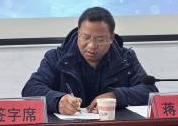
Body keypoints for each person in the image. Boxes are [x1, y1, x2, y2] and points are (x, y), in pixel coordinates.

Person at [22, 7, 156, 115]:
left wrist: (116, 96)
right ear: (78, 33)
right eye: (85, 37)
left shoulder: (126, 58)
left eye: (100, 39)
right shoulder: (56, 57)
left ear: (111, 37)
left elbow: (150, 91)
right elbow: (30, 89)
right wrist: (58, 101)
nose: (92, 46)